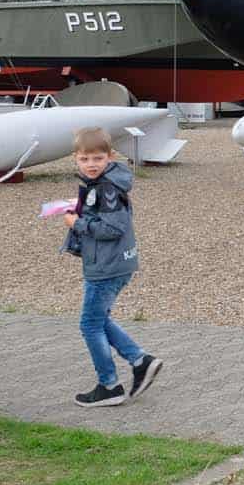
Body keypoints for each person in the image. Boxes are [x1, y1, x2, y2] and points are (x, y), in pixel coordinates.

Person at [61, 128, 163, 407]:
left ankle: (109, 385)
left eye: (97, 158)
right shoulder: (102, 183)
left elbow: (113, 228)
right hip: (111, 263)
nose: (91, 164)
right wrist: (79, 207)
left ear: (110, 156)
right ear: (75, 159)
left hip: (107, 266)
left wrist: (77, 223)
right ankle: (141, 361)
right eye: (85, 159)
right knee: (99, 319)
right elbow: (105, 215)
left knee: (90, 324)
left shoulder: (106, 188)